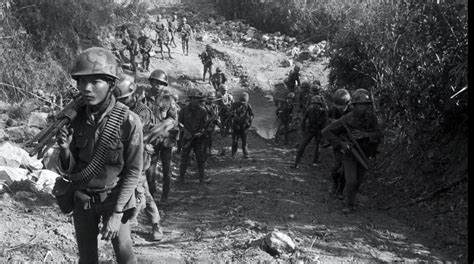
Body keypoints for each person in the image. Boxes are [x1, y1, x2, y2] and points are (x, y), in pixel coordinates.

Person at [56, 47, 142, 263]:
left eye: (95, 82)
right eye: (82, 82)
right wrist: (65, 150)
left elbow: (133, 171)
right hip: (83, 199)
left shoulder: (128, 121)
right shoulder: (74, 120)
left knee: (125, 255)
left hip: (114, 198)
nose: (86, 88)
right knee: (86, 259)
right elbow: (73, 170)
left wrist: (117, 213)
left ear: (111, 84)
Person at [114, 73, 163, 241]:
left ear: (134, 94)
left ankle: (155, 224)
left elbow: (132, 130)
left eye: (124, 99)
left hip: (138, 157)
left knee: (142, 191)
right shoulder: (118, 107)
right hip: (120, 157)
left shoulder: (142, 111)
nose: (121, 102)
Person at [322, 89, 382, 214]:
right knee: (351, 180)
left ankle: (350, 198)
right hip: (350, 154)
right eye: (360, 105)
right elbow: (327, 131)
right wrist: (341, 144)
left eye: (366, 105)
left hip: (364, 153)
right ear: (354, 105)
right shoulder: (347, 119)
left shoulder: (371, 118)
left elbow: (379, 134)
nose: (364, 108)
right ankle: (348, 204)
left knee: (358, 181)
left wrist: (365, 134)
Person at [144, 69, 178, 203]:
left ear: (164, 84)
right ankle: (151, 196)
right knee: (149, 171)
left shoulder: (168, 99)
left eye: (160, 83)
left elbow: (174, 119)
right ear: (151, 82)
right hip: (150, 141)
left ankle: (165, 195)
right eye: (155, 82)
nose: (157, 85)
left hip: (165, 140)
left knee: (166, 169)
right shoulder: (144, 98)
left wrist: (162, 126)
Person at [178, 89, 210, 183]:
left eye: (197, 99)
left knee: (200, 159)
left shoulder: (203, 111)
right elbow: (179, 122)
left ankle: (201, 178)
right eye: (194, 98)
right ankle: (181, 178)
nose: (195, 101)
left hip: (198, 138)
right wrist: (185, 130)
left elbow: (206, 125)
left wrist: (201, 132)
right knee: (184, 158)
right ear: (190, 99)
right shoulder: (184, 110)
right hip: (187, 138)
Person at [326, 88, 352, 199]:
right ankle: (334, 183)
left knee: (345, 169)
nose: (340, 109)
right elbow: (327, 127)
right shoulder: (332, 110)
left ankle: (341, 190)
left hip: (350, 142)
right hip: (337, 142)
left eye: (342, 107)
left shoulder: (353, 112)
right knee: (336, 167)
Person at [291, 95, 327, 168]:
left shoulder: (323, 112)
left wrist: (322, 135)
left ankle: (314, 163)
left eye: (316, 104)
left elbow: (324, 124)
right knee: (302, 146)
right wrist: (304, 131)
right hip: (310, 130)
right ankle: (296, 163)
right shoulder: (309, 110)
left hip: (318, 131)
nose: (315, 105)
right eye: (314, 104)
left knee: (318, 147)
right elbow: (303, 121)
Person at [230, 92, 254, 159]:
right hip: (236, 125)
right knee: (235, 140)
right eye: (242, 102)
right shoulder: (235, 105)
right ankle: (233, 154)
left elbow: (252, 115)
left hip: (244, 126)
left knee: (244, 141)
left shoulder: (248, 105)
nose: (242, 103)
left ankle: (245, 154)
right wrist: (234, 116)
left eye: (244, 102)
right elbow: (231, 114)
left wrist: (249, 123)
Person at [203, 91, 220, 161]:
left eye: (212, 99)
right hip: (205, 126)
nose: (211, 100)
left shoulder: (215, 106)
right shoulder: (204, 106)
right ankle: (204, 156)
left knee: (210, 140)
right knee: (204, 142)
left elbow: (217, 116)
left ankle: (209, 152)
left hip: (212, 126)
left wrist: (218, 122)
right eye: (210, 99)